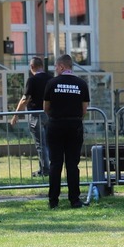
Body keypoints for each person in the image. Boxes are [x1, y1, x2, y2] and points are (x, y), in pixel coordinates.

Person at [43, 53, 89, 209]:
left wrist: (56, 115)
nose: (55, 69)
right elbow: (84, 110)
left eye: (56, 66)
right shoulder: (81, 84)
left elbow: (46, 107)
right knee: (72, 164)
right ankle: (74, 200)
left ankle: (53, 201)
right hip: (74, 126)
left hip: (55, 125)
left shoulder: (51, 83)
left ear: (62, 67)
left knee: (55, 164)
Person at [9, 56, 52, 177]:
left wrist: (16, 115)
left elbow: (25, 99)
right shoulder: (51, 78)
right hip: (50, 115)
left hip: (36, 115)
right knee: (49, 143)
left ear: (32, 67)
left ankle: (45, 169)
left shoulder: (32, 80)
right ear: (42, 66)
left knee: (40, 144)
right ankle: (50, 167)